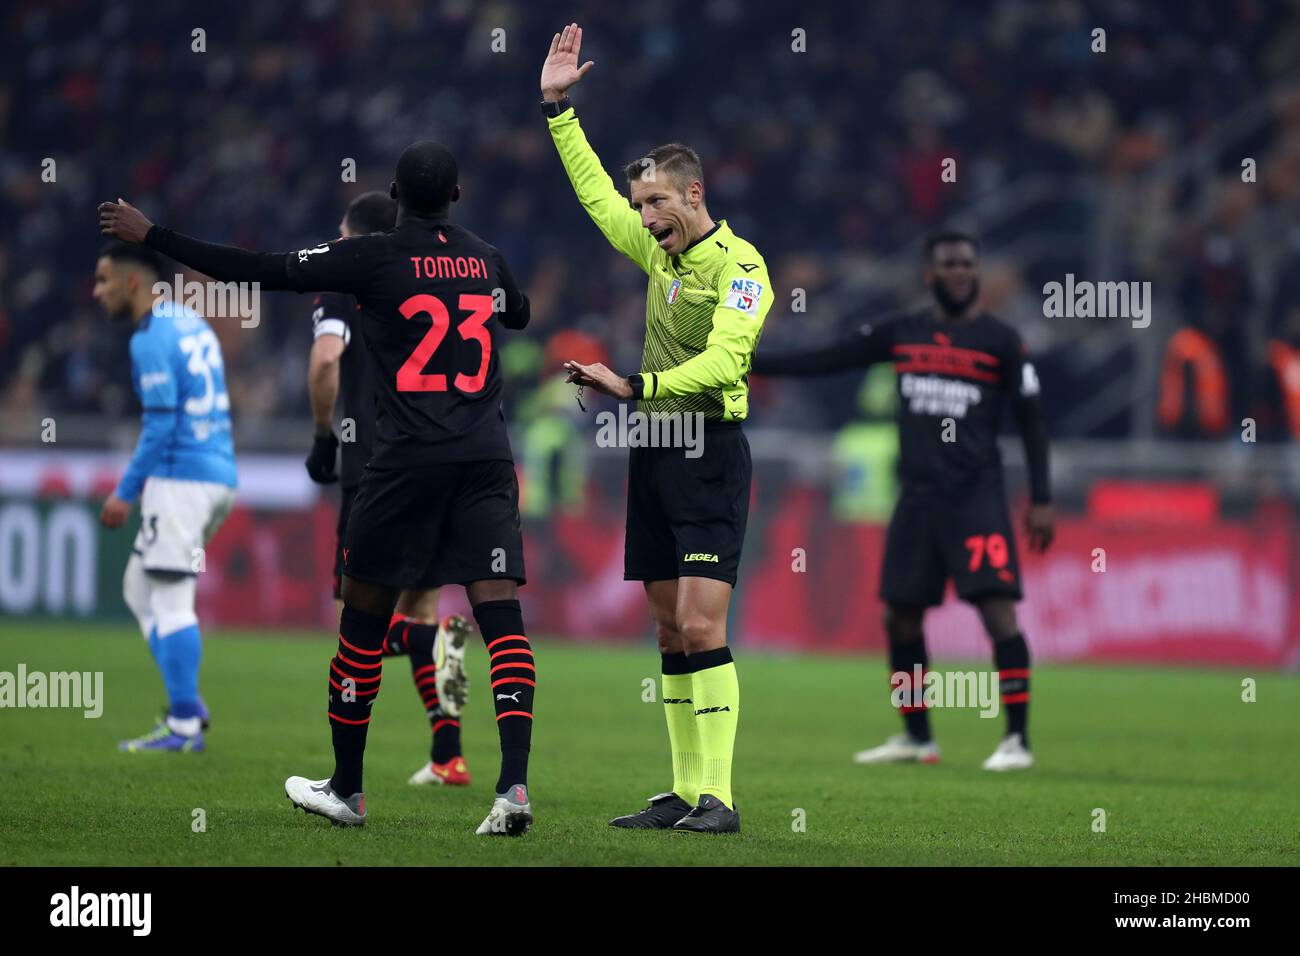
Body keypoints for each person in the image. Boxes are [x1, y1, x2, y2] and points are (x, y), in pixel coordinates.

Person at [101, 139, 536, 833]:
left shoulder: (374, 256)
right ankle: (512, 789)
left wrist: (153, 235)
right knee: (500, 619)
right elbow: (518, 314)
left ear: (393, 199)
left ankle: (348, 790)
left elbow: (261, 270)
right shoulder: (486, 256)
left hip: (403, 463)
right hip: (485, 458)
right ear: (456, 197)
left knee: (361, 624)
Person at [540, 23, 773, 832]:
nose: (645, 219)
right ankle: (681, 789)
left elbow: (727, 361)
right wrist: (558, 109)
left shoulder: (740, 269)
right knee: (671, 627)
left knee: (706, 623)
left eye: (657, 205)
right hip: (656, 453)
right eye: (641, 207)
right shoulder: (659, 255)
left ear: (694, 196)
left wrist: (632, 383)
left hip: (709, 448)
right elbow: (596, 199)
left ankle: (722, 797)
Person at [753, 232, 1054, 771]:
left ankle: (1017, 739)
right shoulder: (903, 332)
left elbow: (1032, 423)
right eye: (949, 264)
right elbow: (827, 358)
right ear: (928, 275)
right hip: (916, 498)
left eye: (967, 263)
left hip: (975, 497)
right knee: (901, 618)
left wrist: (1042, 497)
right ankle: (918, 736)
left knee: (997, 612)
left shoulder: (1001, 341)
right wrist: (751, 359)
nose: (960, 271)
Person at [304, 190, 473, 788]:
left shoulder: (348, 279)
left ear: (352, 237)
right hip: (435, 456)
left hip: (373, 468)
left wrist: (323, 437)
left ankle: (346, 782)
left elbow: (326, 361)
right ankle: (447, 752)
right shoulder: (421, 277)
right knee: (422, 607)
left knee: (357, 619)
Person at [93, 241, 237, 753]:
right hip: (216, 475)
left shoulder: (150, 336)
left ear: (133, 282)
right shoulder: (191, 321)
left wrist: (125, 492)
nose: (97, 291)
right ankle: (188, 707)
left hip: (180, 481)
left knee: (173, 601)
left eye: (104, 280)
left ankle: (182, 726)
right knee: (138, 586)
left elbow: (160, 424)